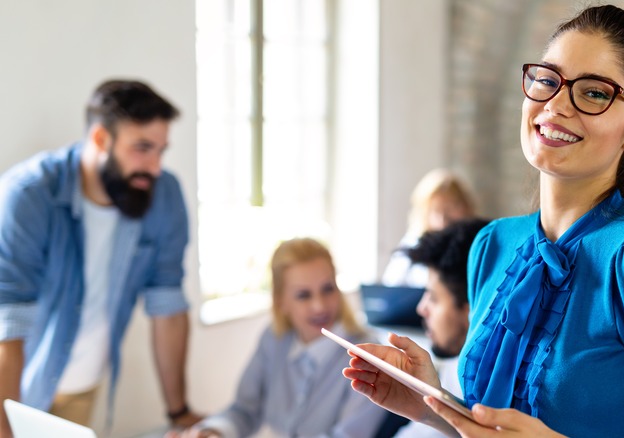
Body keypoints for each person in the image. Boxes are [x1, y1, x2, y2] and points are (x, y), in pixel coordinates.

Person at [343, 5, 624, 437]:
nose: (556, 104)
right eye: (547, 80)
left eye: (594, 92)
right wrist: (432, 405)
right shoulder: (491, 245)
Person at [0, 79, 201, 435]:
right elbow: (7, 324)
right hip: (13, 388)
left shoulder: (164, 195)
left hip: (83, 388)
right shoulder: (29, 195)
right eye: (142, 148)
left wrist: (179, 411)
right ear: (99, 139)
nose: (155, 167)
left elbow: (167, 306)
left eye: (161, 150)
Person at [170, 238, 385, 438]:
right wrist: (212, 433)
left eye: (327, 289)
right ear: (280, 300)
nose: (319, 305)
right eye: (303, 295)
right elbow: (244, 410)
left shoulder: (368, 357)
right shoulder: (274, 339)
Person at [393, 218, 489, 438]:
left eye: (433, 298)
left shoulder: (488, 397)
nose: (421, 308)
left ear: (470, 311)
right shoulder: (454, 368)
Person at [382, 168, 477, 288]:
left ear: (466, 206)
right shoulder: (414, 243)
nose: (443, 218)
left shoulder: (478, 242)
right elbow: (390, 286)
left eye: (450, 208)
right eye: (436, 210)